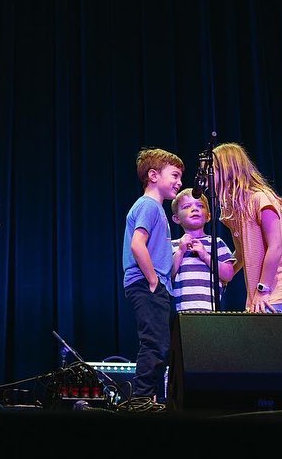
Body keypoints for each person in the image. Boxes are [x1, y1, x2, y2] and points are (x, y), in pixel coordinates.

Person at [212, 142, 282, 313]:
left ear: (228, 170)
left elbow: (276, 246)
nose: (208, 174)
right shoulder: (232, 210)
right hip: (263, 281)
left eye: (213, 169)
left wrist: (263, 288)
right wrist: (225, 276)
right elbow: (241, 253)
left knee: (262, 329)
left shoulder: (260, 198)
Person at [122, 147, 184, 400]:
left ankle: (150, 399)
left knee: (161, 346)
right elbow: (138, 244)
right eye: (175, 175)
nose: (179, 182)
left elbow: (162, 258)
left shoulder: (157, 209)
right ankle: (141, 400)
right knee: (155, 344)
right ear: (153, 175)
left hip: (157, 286)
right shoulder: (148, 206)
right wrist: (153, 280)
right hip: (147, 284)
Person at [170, 187, 236, 311]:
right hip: (182, 311)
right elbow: (168, 275)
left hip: (211, 310)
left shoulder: (216, 243)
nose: (194, 209)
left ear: (208, 216)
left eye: (200, 206)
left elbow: (228, 275)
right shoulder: (173, 245)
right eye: (186, 207)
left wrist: (206, 256)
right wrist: (180, 252)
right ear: (176, 218)